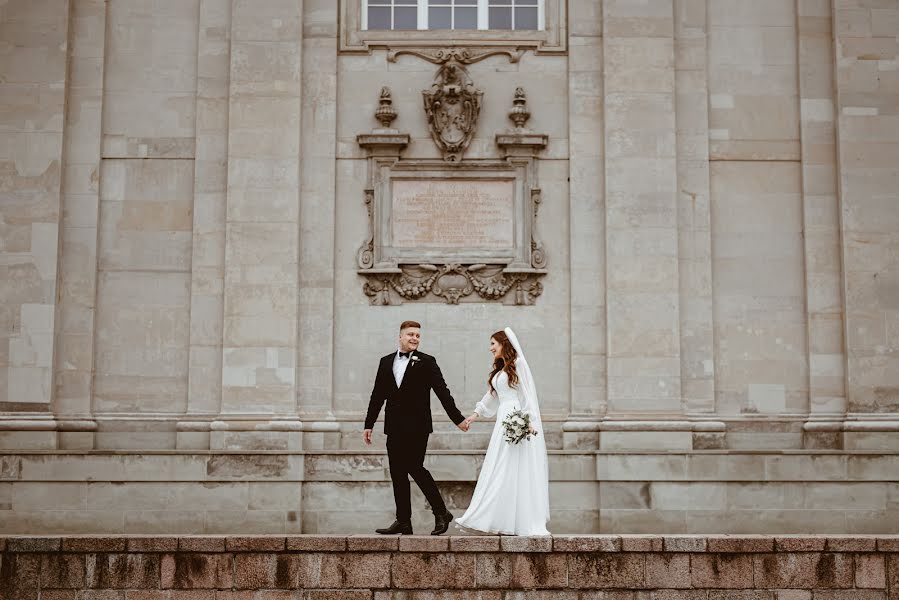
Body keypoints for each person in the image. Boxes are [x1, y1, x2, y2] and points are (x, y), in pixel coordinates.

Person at [363, 320, 469, 535]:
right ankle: (403, 521)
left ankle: (441, 513)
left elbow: (442, 392)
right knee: (397, 473)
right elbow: (377, 395)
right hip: (393, 427)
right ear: (400, 336)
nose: (414, 338)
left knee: (414, 467)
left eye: (418, 336)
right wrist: (369, 423)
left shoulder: (427, 362)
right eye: (410, 334)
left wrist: (457, 419)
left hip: (418, 426)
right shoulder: (385, 362)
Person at [455, 327, 550, 535]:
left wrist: (527, 422)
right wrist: (474, 415)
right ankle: (490, 517)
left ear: (503, 345)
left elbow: (528, 396)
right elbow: (490, 396)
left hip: (516, 419)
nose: (490, 348)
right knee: (498, 465)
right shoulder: (500, 370)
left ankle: (518, 521)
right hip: (503, 421)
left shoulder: (518, 364)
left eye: (493, 344)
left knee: (513, 467)